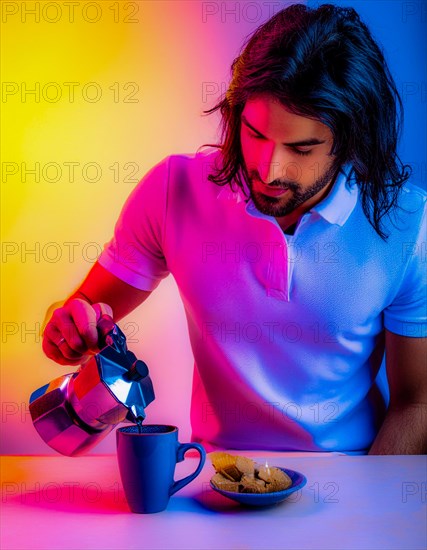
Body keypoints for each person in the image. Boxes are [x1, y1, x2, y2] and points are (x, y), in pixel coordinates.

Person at [42, 4, 426, 454]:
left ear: (350, 141)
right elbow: (80, 314)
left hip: (350, 476)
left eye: (301, 149)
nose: (268, 168)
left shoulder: (407, 224)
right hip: (215, 478)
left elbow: (417, 403)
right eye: (255, 134)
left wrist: (367, 507)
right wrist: (68, 330)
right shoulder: (174, 191)